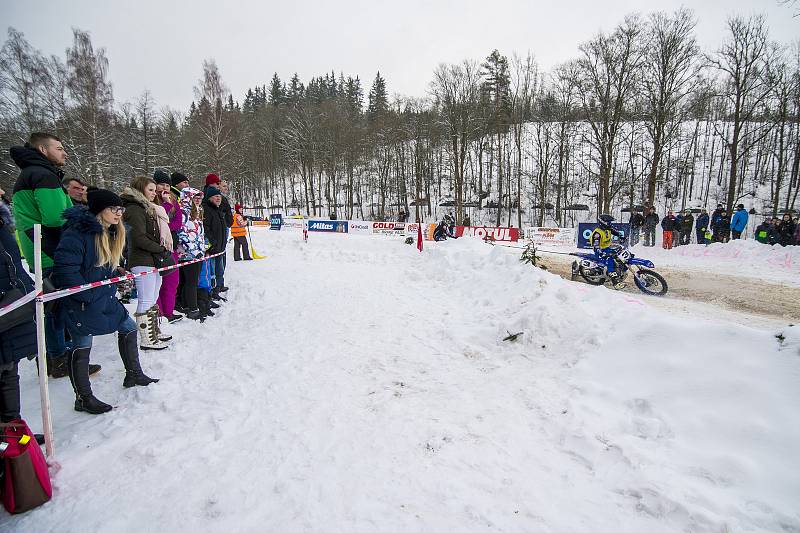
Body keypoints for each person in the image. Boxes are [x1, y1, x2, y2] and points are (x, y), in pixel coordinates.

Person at [52, 189, 158, 415]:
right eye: (114, 209)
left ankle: (134, 373)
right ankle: (83, 398)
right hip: (83, 302)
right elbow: (65, 270)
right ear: (100, 210)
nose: (119, 213)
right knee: (81, 345)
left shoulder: (112, 232)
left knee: (128, 327)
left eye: (121, 209)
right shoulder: (77, 234)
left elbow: (99, 266)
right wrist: (87, 296)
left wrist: (114, 272)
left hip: (105, 297)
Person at [10, 133, 74, 378]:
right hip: (50, 250)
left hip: (42, 249)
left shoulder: (33, 174)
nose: (64, 153)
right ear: (42, 149)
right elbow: (56, 217)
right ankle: (57, 357)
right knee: (54, 308)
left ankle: (57, 354)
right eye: (59, 148)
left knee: (53, 307)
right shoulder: (42, 175)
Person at [121, 177, 173, 350]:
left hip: (152, 259)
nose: (154, 193)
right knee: (146, 298)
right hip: (142, 259)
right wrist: (160, 249)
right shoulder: (134, 209)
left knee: (153, 296)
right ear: (140, 190)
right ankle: (146, 339)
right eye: (150, 190)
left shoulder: (147, 208)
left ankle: (154, 331)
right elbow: (138, 237)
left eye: (154, 190)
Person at [0, 232, 37, 424]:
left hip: (11, 309)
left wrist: (30, 292)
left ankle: (14, 432)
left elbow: (15, 268)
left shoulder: (2, 227)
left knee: (10, 371)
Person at [154, 170, 183, 323]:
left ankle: (169, 312)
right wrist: (165, 205)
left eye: (167, 185)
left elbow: (178, 221)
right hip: (156, 247)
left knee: (172, 281)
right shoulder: (151, 200)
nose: (164, 188)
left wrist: (165, 226)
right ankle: (158, 314)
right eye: (161, 184)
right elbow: (155, 222)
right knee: (157, 283)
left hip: (171, 245)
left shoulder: (173, 201)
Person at [176, 188, 205, 320]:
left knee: (193, 281)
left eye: (200, 198)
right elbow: (182, 234)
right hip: (187, 254)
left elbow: (198, 234)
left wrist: (203, 248)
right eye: (195, 198)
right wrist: (194, 250)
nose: (198, 200)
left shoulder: (197, 212)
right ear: (188, 198)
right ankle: (192, 309)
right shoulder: (183, 212)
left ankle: (187, 305)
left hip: (198, 252)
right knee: (191, 282)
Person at [204, 174, 232, 297]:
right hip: (214, 242)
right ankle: (213, 289)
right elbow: (207, 227)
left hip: (220, 240)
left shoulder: (219, 205)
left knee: (220, 265)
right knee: (212, 268)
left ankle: (218, 285)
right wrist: (213, 242)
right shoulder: (208, 205)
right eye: (222, 185)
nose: (218, 198)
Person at [590, 214, 626, 289]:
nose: (610, 224)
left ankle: (620, 271)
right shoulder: (597, 233)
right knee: (610, 261)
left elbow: (615, 232)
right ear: (603, 222)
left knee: (620, 256)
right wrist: (601, 253)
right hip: (600, 251)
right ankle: (615, 283)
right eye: (609, 222)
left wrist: (621, 236)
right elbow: (596, 246)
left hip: (607, 248)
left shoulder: (608, 229)